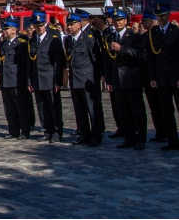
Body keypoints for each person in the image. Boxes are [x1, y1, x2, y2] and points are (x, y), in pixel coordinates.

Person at [147, 5, 179, 153]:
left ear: (168, 16)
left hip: (175, 76)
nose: (160, 18)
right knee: (166, 110)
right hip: (161, 77)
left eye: (163, 15)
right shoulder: (153, 32)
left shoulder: (177, 32)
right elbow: (151, 58)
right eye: (158, 16)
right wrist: (153, 77)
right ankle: (172, 139)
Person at [103, 11, 147, 150]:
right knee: (123, 111)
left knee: (137, 110)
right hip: (117, 80)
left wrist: (122, 48)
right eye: (115, 20)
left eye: (120, 20)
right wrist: (109, 80)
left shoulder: (134, 36)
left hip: (131, 78)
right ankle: (129, 137)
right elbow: (108, 60)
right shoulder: (111, 36)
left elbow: (140, 54)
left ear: (126, 21)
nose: (118, 22)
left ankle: (140, 137)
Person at [65, 14, 104, 146]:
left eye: (72, 24)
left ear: (79, 25)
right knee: (79, 109)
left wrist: (98, 77)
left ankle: (96, 135)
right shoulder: (68, 40)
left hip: (88, 78)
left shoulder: (88, 38)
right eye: (68, 25)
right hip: (75, 79)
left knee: (93, 109)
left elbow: (96, 59)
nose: (69, 27)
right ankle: (83, 134)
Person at [28, 11, 65, 143]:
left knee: (54, 106)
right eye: (36, 25)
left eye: (41, 25)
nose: (39, 27)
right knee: (41, 106)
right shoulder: (32, 41)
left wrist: (58, 81)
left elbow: (58, 62)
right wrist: (30, 81)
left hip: (50, 78)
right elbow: (30, 63)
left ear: (45, 25)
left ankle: (57, 131)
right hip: (37, 78)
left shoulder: (53, 39)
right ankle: (47, 129)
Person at [0, 19, 32, 139]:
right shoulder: (3, 44)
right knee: (9, 107)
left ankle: (25, 131)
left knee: (21, 106)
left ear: (14, 30)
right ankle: (13, 130)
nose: (4, 32)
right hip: (6, 80)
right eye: (4, 29)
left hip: (17, 80)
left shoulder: (21, 44)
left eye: (6, 29)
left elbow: (25, 64)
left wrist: (27, 81)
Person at [138, 12, 167, 143]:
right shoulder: (145, 36)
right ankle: (160, 131)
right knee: (154, 107)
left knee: (163, 106)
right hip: (148, 76)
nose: (142, 24)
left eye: (145, 21)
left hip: (159, 75)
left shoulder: (156, 35)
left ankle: (165, 132)